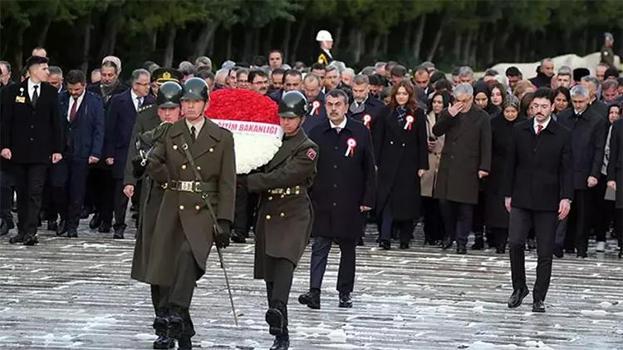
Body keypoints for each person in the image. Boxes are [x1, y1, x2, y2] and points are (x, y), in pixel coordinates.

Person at [145, 77, 235, 350]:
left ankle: (175, 310)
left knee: (187, 256)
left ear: (206, 104)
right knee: (164, 264)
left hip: (203, 209)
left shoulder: (221, 137)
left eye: (196, 101)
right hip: (172, 204)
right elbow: (154, 161)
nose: (190, 106)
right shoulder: (171, 132)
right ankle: (180, 327)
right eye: (186, 102)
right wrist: (166, 178)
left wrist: (225, 221)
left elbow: (227, 183)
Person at [245, 91, 318, 350]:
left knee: (285, 260)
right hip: (269, 208)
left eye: (292, 118)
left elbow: (284, 176)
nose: (286, 123)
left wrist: (249, 183)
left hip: (294, 210)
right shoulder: (269, 142)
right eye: (283, 117)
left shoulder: (307, 148)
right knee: (270, 272)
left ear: (302, 118)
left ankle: (277, 308)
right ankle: (280, 330)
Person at [300, 88, 376, 309]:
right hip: (322, 198)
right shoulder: (316, 131)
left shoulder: (360, 132)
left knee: (348, 248)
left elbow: (369, 167)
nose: (333, 109)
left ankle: (345, 292)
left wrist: (367, 199)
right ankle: (314, 291)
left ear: (346, 106)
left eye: (337, 105)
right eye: (329, 104)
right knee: (319, 245)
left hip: (350, 199)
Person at [504, 87, 572, 313]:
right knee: (515, 242)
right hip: (521, 196)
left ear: (552, 107)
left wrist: (566, 198)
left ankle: (539, 296)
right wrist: (507, 194)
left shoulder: (562, 133)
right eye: (536, 106)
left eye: (544, 106)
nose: (539, 110)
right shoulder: (519, 129)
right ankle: (519, 287)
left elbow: (567, 170)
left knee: (545, 251)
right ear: (531, 107)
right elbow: (510, 164)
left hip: (549, 199)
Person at [126, 81, 183, 350]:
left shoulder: (189, 132)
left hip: (181, 203)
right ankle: (161, 319)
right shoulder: (148, 128)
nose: (168, 114)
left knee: (176, 264)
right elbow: (134, 157)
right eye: (164, 109)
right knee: (154, 264)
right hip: (154, 201)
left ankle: (174, 317)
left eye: (173, 109)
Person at [1, 56, 62, 245]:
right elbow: (5, 121)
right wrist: (4, 145)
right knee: (21, 191)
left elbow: (57, 123)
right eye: (44, 69)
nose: (47, 72)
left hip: (40, 152)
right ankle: (21, 229)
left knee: (35, 191)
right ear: (34, 70)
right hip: (19, 151)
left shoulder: (50, 93)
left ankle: (31, 231)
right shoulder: (13, 91)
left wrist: (57, 149)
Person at [433, 83, 492, 254]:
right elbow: (436, 131)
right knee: (445, 204)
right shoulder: (449, 113)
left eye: (465, 101)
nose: (462, 104)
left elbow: (486, 144)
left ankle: (461, 241)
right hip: (448, 166)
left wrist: (484, 167)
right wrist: (449, 116)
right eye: (458, 100)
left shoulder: (482, 117)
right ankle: (449, 234)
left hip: (469, 167)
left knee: (465, 208)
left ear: (472, 99)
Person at [47, 70, 104, 237]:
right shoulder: (60, 99)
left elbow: (99, 128)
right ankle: (64, 217)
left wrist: (96, 152)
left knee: (77, 190)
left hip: (83, 152)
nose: (73, 92)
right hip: (61, 151)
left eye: (77, 90)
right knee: (58, 185)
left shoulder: (95, 101)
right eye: (71, 89)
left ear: (84, 86)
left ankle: (72, 225)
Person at [374, 81, 429, 250]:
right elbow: (378, 139)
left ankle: (405, 238)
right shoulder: (385, 113)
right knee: (387, 201)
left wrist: (422, 165)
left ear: (410, 95)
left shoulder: (418, 113)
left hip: (409, 164)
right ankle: (385, 237)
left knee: (407, 202)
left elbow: (422, 141)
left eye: (404, 94)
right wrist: (376, 162)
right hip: (388, 163)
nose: (401, 97)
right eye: (399, 94)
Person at [556, 85, 607, 257]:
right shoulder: (563, 117)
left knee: (584, 213)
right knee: (564, 209)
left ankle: (581, 247)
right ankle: (564, 245)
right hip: (565, 171)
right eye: (575, 102)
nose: (578, 105)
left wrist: (594, 174)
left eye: (581, 102)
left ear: (589, 100)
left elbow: (599, 149)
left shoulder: (597, 120)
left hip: (585, 172)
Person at [103, 69, 155, 239]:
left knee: (142, 192)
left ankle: (141, 226)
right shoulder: (119, 100)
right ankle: (118, 225)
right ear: (135, 84)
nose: (148, 87)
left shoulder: (152, 101)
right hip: (122, 151)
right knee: (121, 192)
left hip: (145, 153)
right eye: (144, 84)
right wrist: (109, 153)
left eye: (149, 83)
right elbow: (110, 128)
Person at [486, 97, 524, 254]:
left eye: (513, 111)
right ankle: (498, 241)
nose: (509, 114)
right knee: (497, 209)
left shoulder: (523, 125)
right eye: (507, 111)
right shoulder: (494, 123)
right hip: (497, 171)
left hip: (518, 170)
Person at [421, 91, 451, 246]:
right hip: (429, 161)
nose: (437, 105)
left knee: (442, 201)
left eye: (440, 102)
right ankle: (429, 234)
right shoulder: (425, 118)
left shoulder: (451, 118)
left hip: (444, 160)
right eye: (435, 102)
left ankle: (443, 233)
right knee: (427, 201)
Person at [592, 104, 622, 253]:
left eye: (617, 113)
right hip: (605, 174)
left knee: (618, 209)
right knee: (604, 207)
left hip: (617, 175)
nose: (614, 115)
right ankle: (601, 238)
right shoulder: (603, 127)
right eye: (611, 112)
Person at [607, 115, 623, 258]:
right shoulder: (617, 125)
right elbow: (613, 152)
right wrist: (611, 177)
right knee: (620, 210)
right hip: (620, 172)